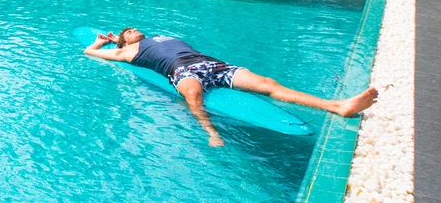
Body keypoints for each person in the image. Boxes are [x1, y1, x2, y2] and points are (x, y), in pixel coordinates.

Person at [84, 27, 378, 147]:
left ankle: (338, 106)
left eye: (134, 28)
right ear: (124, 42)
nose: (134, 30)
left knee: (267, 84)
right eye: (128, 32)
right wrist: (103, 41)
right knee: (192, 94)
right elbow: (90, 52)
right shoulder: (125, 53)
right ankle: (211, 132)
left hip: (212, 64)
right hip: (183, 72)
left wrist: (117, 37)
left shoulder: (160, 36)